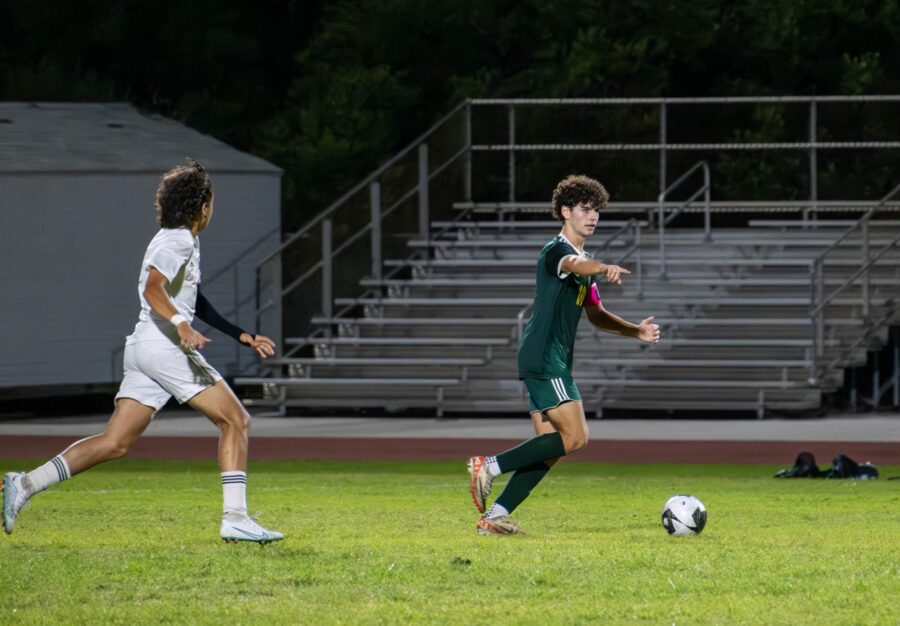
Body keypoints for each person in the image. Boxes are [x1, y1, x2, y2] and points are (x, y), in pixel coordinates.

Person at [2, 159, 284, 544]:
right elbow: (155, 290)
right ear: (201, 206)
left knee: (115, 442)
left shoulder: (177, 239)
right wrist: (181, 325)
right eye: (211, 203)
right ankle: (235, 517)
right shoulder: (178, 240)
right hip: (164, 344)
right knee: (236, 421)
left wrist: (241, 335)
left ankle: (26, 483)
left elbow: (193, 299)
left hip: (143, 348)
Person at [468, 174, 660, 535]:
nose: (592, 217)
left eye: (596, 210)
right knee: (577, 438)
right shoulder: (557, 251)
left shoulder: (583, 261)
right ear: (565, 211)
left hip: (545, 358)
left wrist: (635, 329)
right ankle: (488, 466)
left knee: (549, 449)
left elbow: (596, 314)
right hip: (546, 358)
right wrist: (603, 267)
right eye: (585, 209)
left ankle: (492, 518)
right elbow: (575, 265)